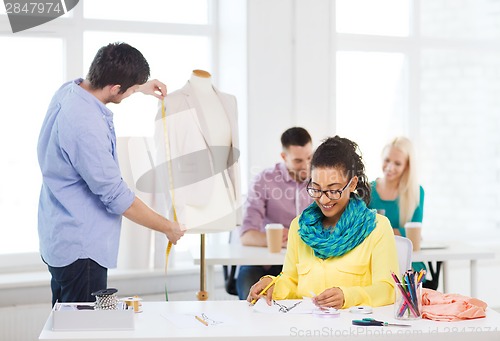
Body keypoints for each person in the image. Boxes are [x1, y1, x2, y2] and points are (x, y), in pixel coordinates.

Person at [37, 42, 185, 306]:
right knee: (83, 331)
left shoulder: (69, 91)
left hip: (59, 238)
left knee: (65, 326)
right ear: (115, 88)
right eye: (127, 91)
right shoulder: (86, 126)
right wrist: (168, 228)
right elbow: (116, 196)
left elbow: (111, 84)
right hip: (82, 253)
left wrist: (140, 86)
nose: (129, 95)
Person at [247, 136, 399, 309]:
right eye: (316, 189)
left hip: (354, 329)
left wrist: (347, 296)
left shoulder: (377, 227)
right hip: (306, 328)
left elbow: (388, 289)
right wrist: (273, 285)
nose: (324, 199)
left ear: (352, 184)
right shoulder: (299, 226)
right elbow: (290, 280)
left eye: (333, 190)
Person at [236, 127, 314, 300]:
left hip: (305, 264)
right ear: (284, 157)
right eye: (298, 161)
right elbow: (247, 236)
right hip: (265, 265)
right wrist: (279, 239)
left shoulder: (319, 181)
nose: (306, 166)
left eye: (310, 158)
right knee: (252, 293)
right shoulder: (264, 180)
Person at [368, 136, 429, 284]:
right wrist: (397, 231)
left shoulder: (416, 192)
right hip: (375, 259)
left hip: (409, 262)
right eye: (387, 160)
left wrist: (382, 231)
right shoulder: (368, 190)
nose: (390, 167)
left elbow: (413, 234)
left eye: (397, 163)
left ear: (407, 166)